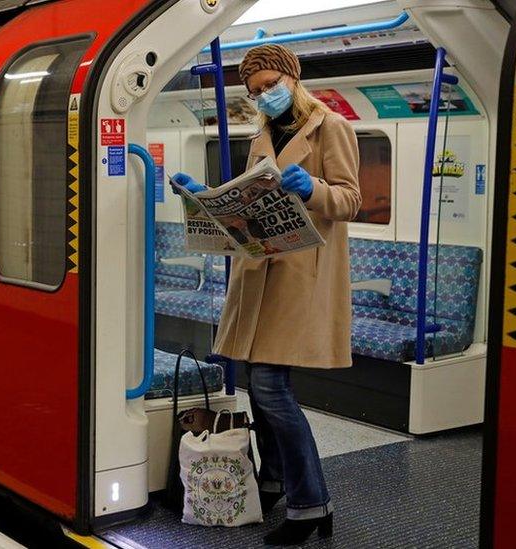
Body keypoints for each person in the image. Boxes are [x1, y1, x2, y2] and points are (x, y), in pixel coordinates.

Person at [172, 44, 361, 545]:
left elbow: (349, 199)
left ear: (293, 80)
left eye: (271, 86)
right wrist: (204, 199)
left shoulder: (332, 127)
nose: (264, 96)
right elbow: (250, 195)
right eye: (255, 91)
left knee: (273, 390)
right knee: (259, 387)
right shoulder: (262, 133)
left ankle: (311, 503)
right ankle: (275, 480)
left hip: (302, 276)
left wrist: (311, 188)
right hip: (260, 270)